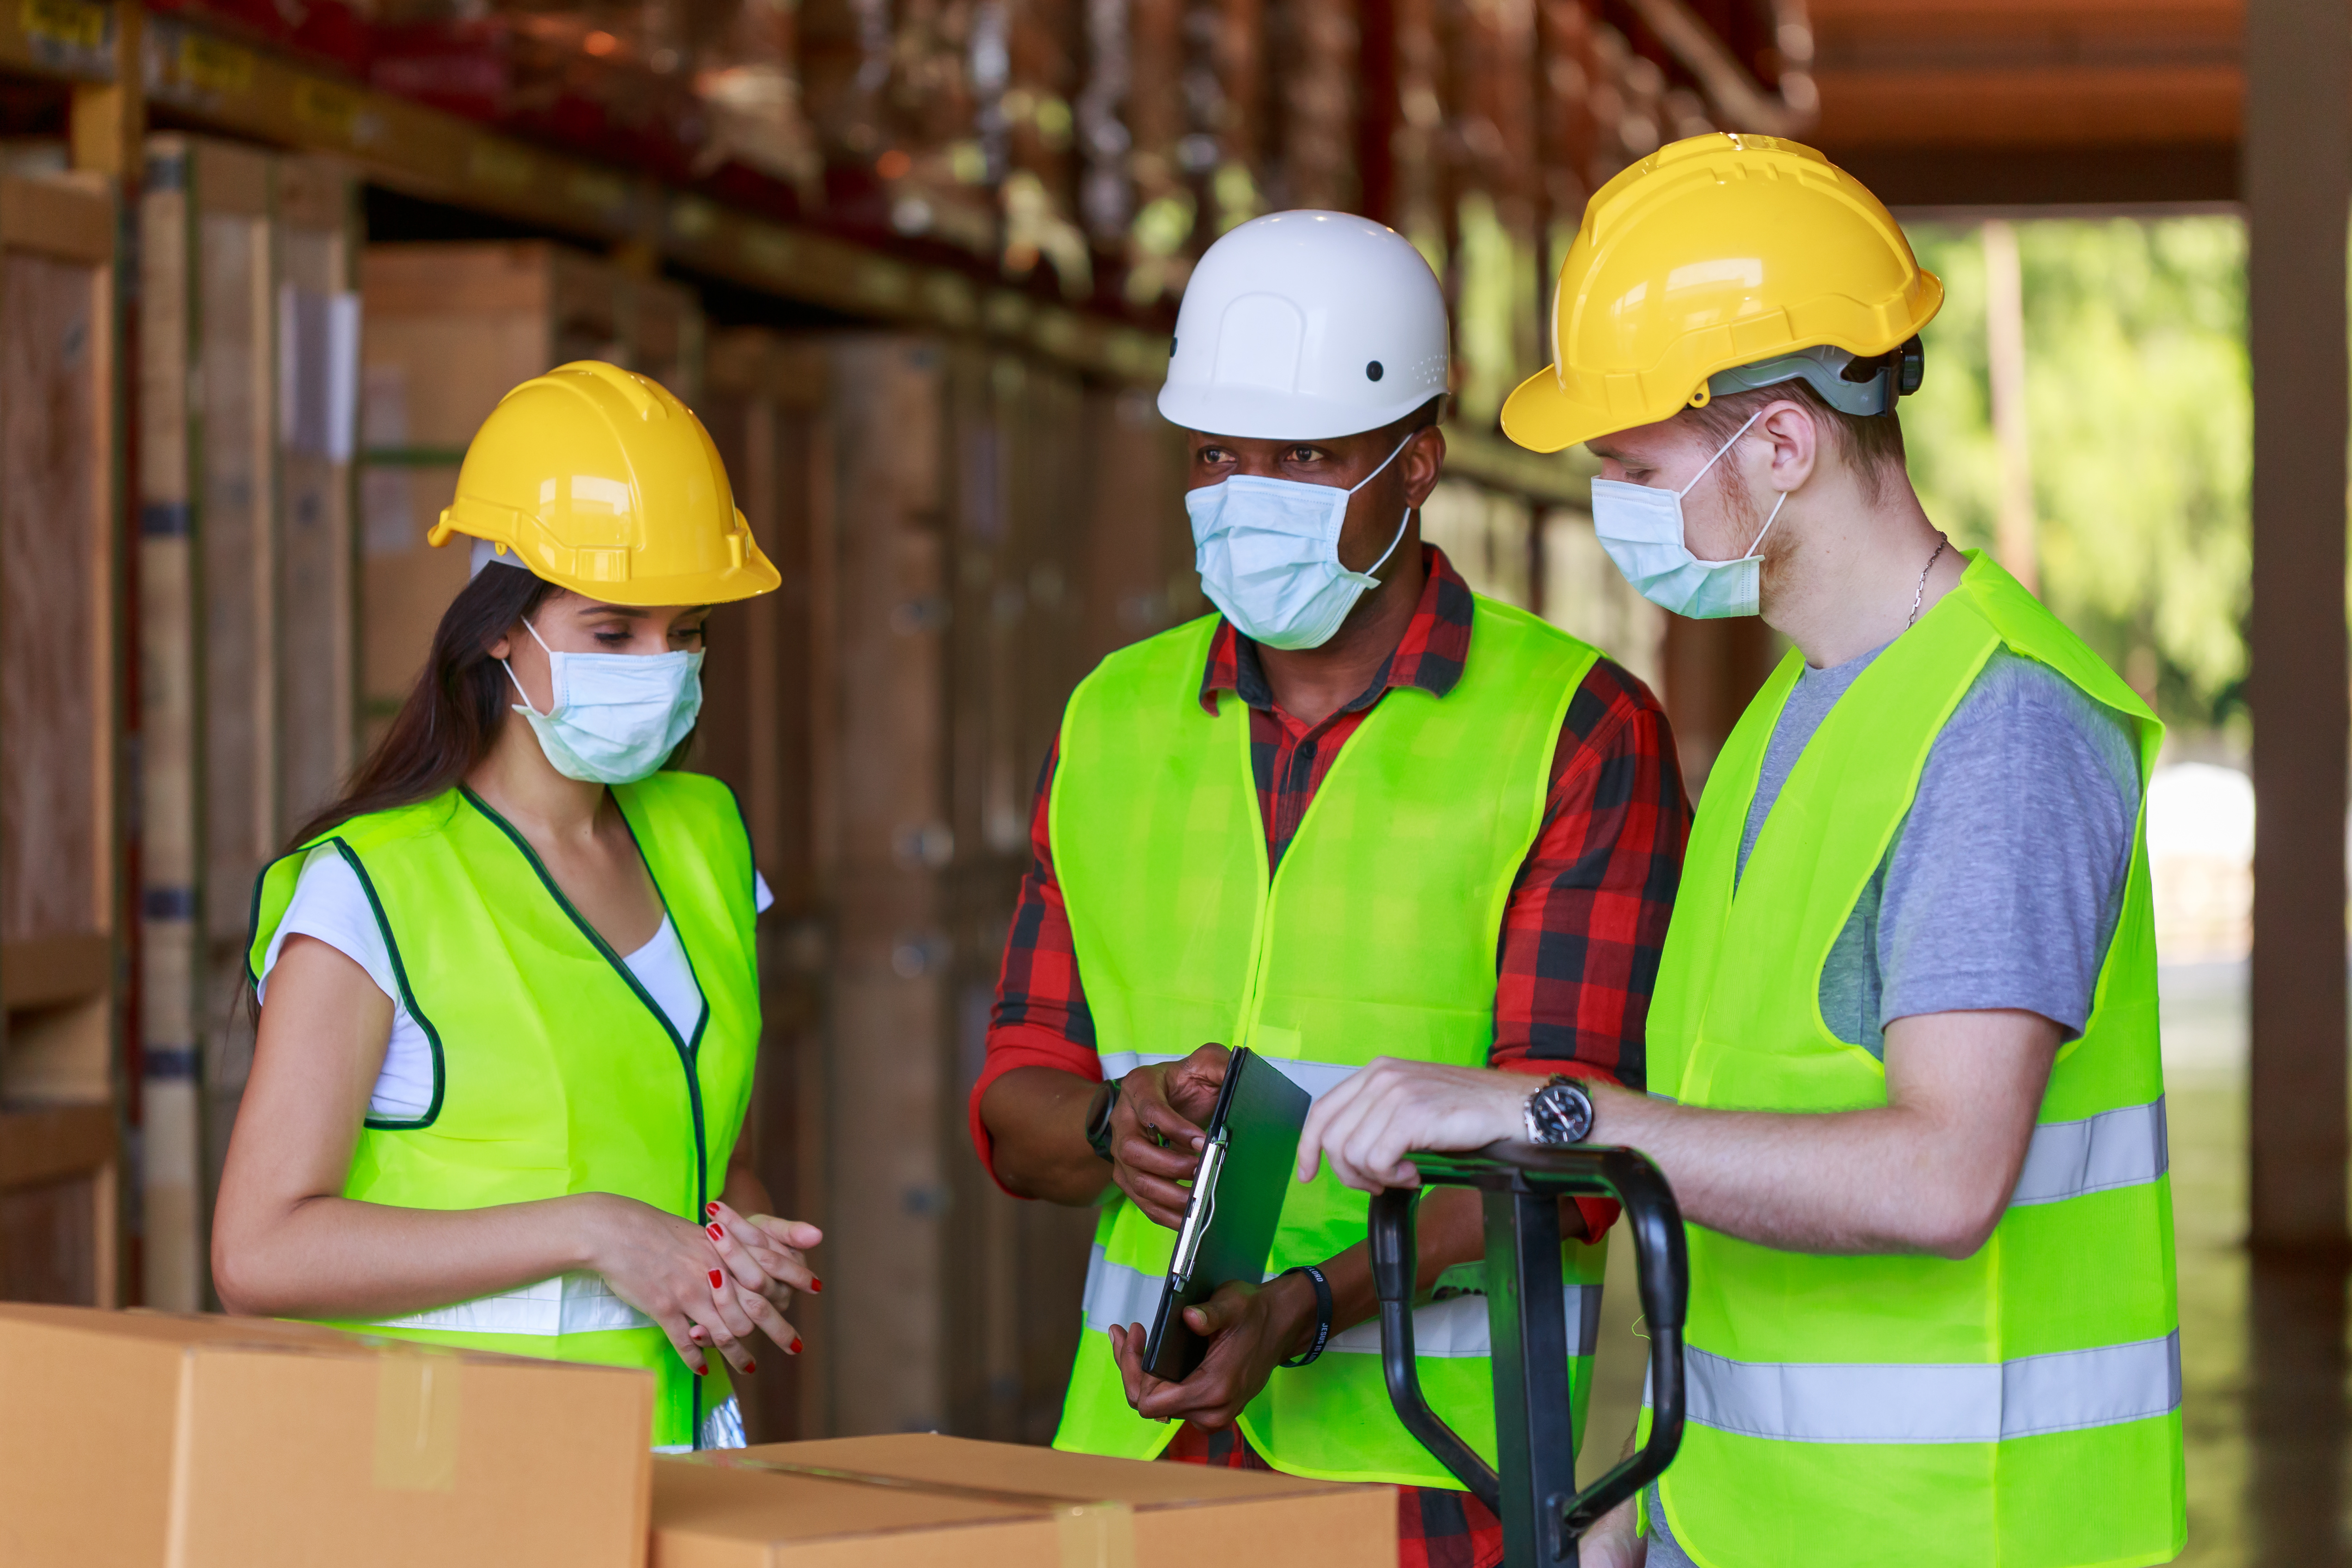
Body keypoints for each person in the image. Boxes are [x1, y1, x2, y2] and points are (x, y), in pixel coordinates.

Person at [1296, 134, 2185, 1568]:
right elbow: (1732, 1176)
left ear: (1779, 443)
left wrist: (1548, 1111)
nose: (1616, 503)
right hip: (1755, 1527)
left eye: (1634, 463)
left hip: (1961, 1537)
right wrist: (1639, 1507)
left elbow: (1942, 1178)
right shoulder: (1791, 718)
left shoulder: (2001, 731)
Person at [970, 209, 1691, 1563]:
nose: (1249, 493)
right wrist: (1109, 1120)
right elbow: (1015, 1103)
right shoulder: (1111, 719)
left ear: (1416, 463)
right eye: (1216, 455)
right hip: (1139, 1468)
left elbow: (1577, 1155)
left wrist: (1310, 1301)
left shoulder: (1574, 728)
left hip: (1447, 1481)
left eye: (1304, 454)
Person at [212, 361, 819, 1452]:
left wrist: (733, 1238)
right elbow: (258, 1253)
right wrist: (593, 1230)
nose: (661, 668)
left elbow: (691, 1143)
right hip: (453, 1472)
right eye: (614, 630)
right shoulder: (373, 885)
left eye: (688, 633)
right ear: (501, 626)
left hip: (676, 1452)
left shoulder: (705, 836)